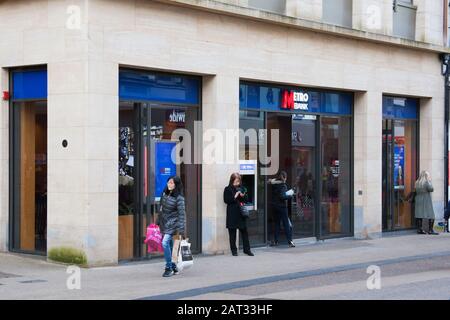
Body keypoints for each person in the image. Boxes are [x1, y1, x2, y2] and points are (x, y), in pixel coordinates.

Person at [158, 176, 186, 277]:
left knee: (165, 243)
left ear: (176, 185)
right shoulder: (164, 193)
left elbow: (182, 214)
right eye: (168, 182)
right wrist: (158, 221)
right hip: (164, 222)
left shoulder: (179, 197)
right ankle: (174, 265)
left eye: (171, 183)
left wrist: (181, 230)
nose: (169, 185)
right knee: (169, 244)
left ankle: (168, 267)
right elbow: (161, 208)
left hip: (173, 223)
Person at [223, 173, 254, 257]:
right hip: (232, 214)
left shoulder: (242, 188)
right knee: (232, 233)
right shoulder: (227, 189)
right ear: (232, 180)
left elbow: (246, 199)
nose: (238, 182)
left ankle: (247, 250)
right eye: (236, 180)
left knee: (244, 232)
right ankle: (234, 251)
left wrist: (243, 196)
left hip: (240, 214)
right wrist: (235, 196)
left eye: (239, 180)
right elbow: (226, 200)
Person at [269, 171, 295, 247]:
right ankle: (290, 241)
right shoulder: (283, 186)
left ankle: (276, 241)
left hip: (275, 206)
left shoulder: (274, 184)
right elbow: (282, 196)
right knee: (286, 224)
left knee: (277, 224)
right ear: (285, 178)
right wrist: (290, 196)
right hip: (282, 207)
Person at [414, 171, 438, 235]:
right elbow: (431, 189)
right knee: (431, 215)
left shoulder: (417, 182)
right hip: (426, 200)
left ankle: (420, 229)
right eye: (428, 175)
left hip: (418, 200)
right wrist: (430, 182)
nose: (429, 176)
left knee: (419, 215)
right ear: (426, 176)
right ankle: (430, 230)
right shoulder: (426, 182)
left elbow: (415, 191)